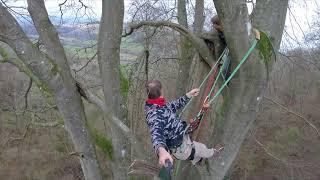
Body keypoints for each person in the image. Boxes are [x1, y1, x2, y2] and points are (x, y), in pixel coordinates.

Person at [145, 79, 224, 167]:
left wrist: (188, 95)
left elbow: (175, 105)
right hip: (179, 148)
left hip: (181, 138)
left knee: (193, 153)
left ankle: (198, 161)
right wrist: (162, 151)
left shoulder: (158, 104)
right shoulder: (155, 116)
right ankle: (214, 153)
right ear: (161, 91)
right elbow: (156, 135)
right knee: (200, 148)